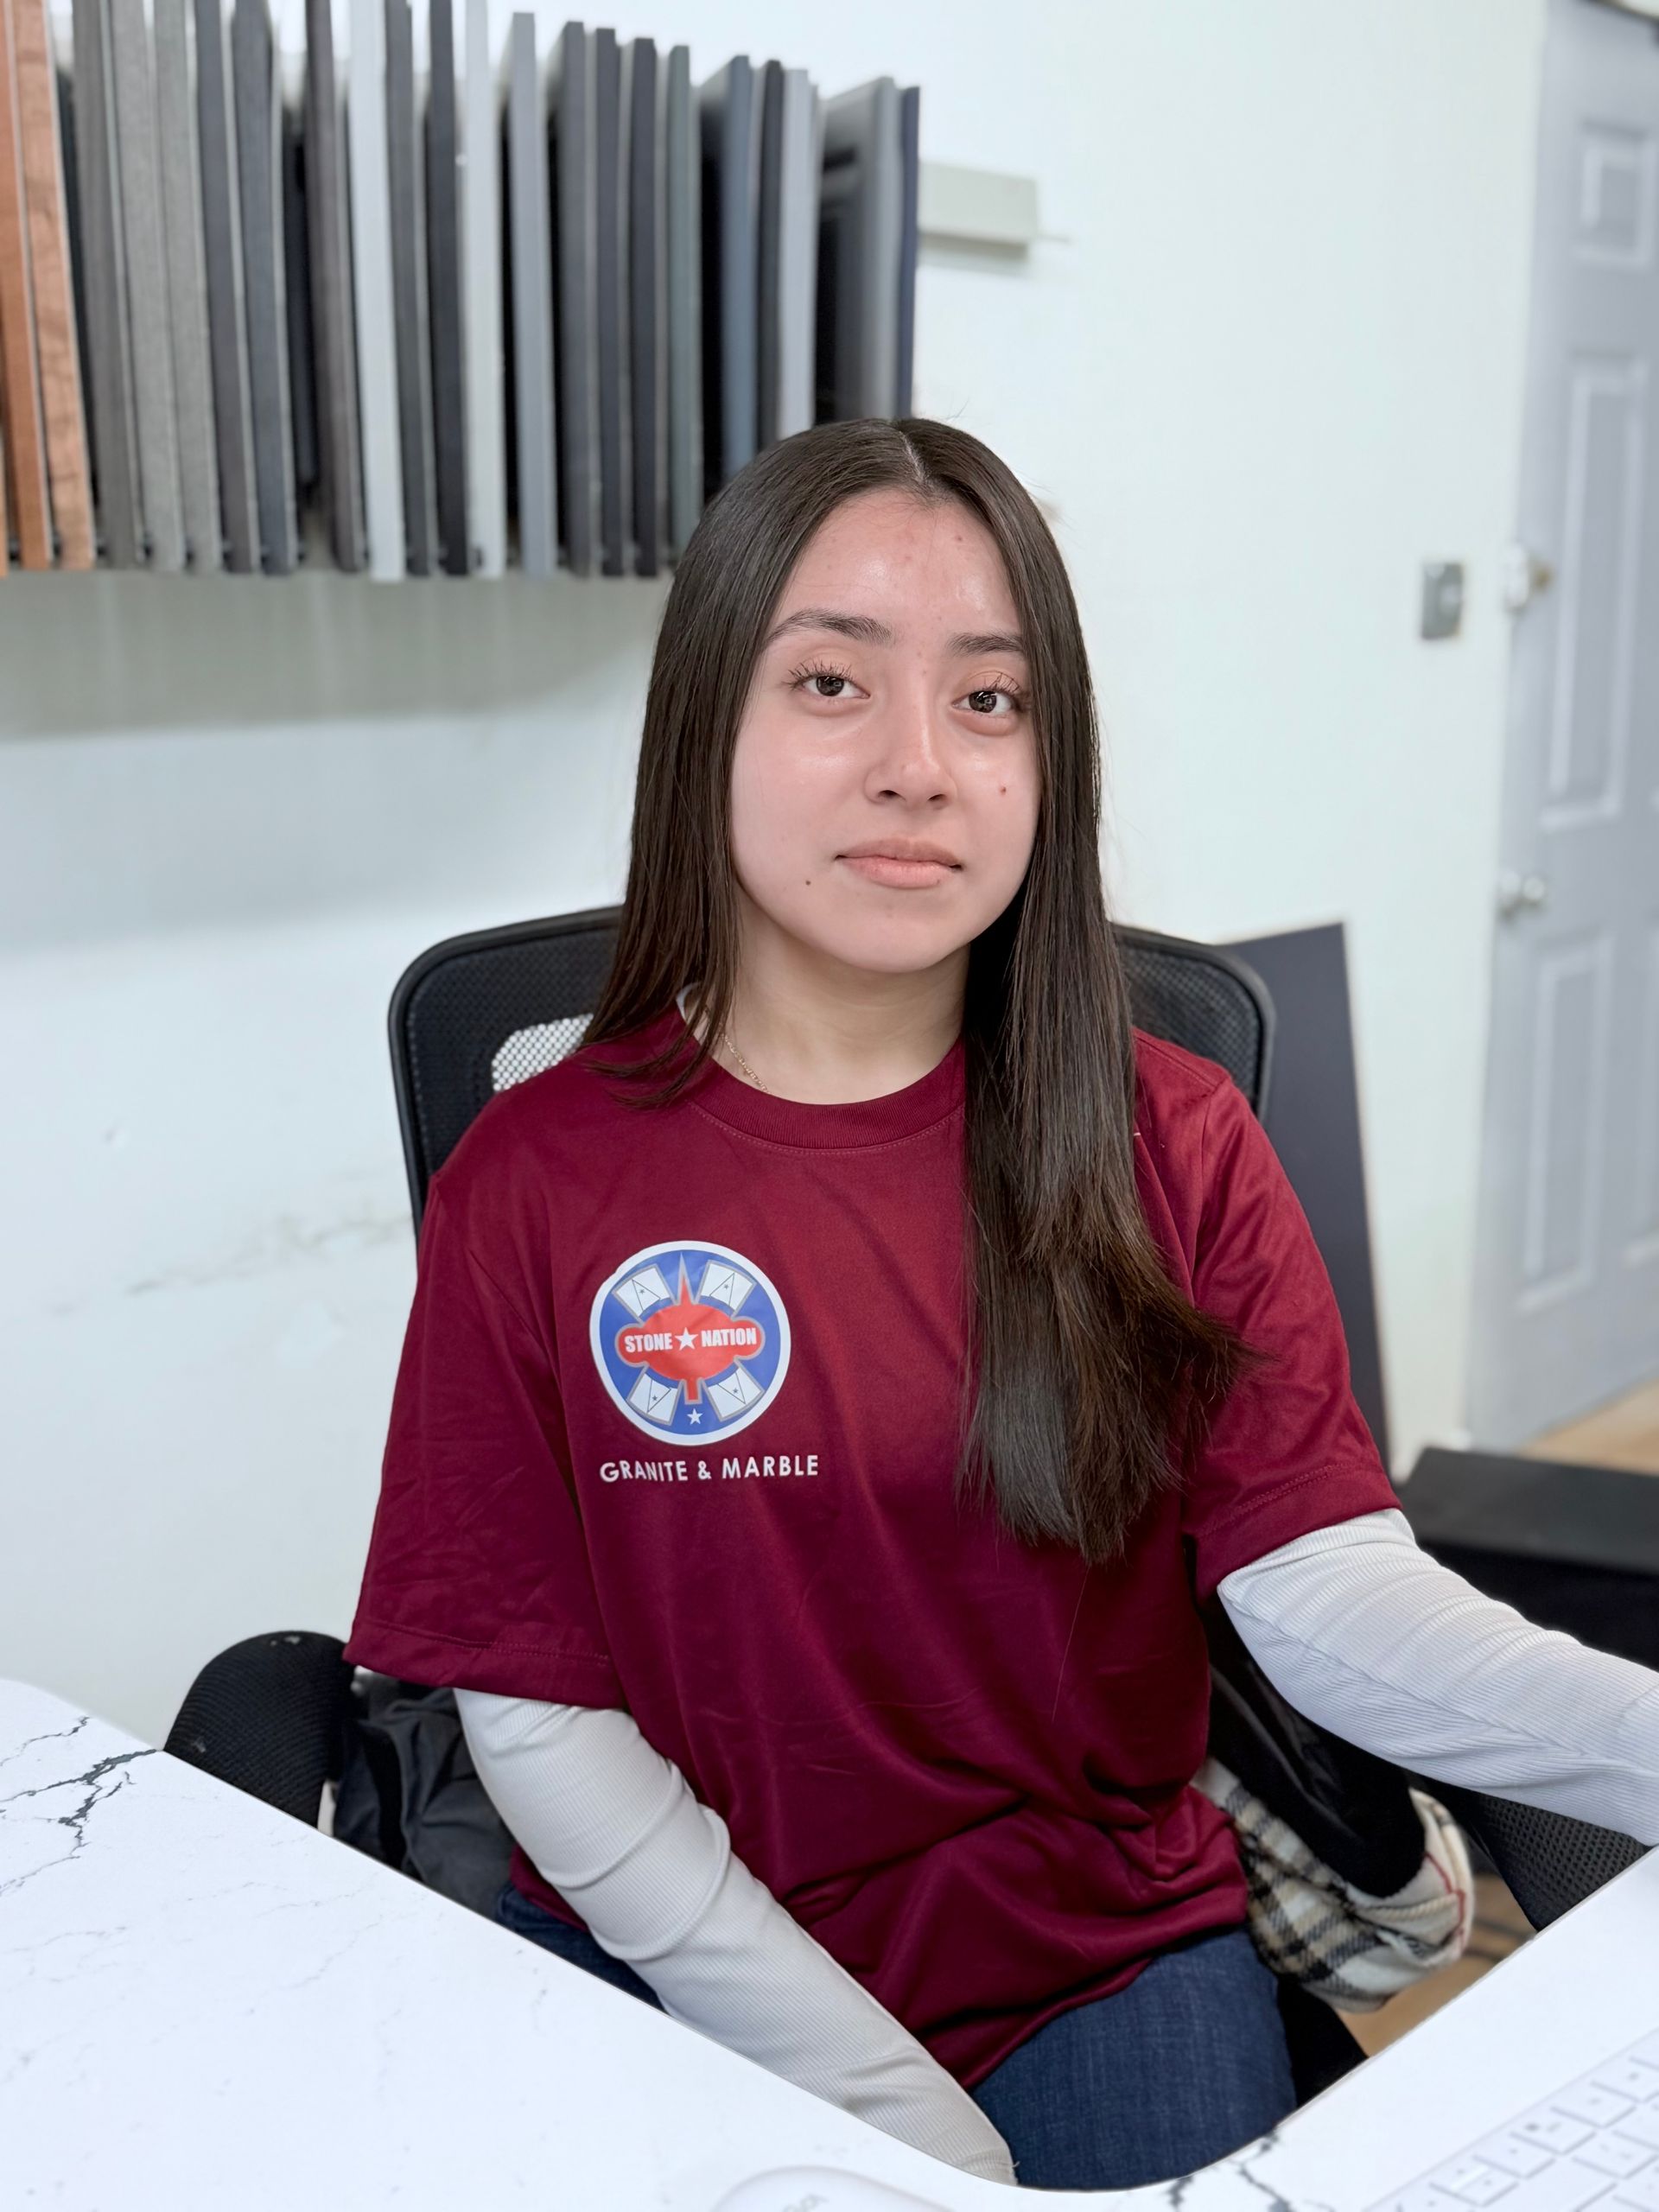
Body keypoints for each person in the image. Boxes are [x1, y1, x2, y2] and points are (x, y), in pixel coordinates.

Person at [341, 417, 1659, 2193]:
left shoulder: (1168, 1137)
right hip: (688, 1951)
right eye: (832, 683)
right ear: (704, 718)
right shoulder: (539, 1176)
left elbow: (1326, 1587)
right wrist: (891, 2113)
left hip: (1089, 1949)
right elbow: (541, 1718)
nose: (920, 765)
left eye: (991, 701)